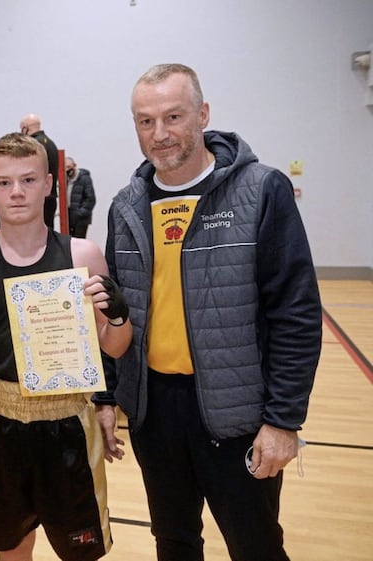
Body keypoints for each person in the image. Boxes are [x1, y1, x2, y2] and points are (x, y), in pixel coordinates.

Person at [98, 63, 322, 561]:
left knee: (256, 545)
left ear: (203, 114)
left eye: (173, 116)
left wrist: (284, 420)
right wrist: (107, 395)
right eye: (145, 121)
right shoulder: (126, 206)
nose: (160, 134)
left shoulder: (261, 189)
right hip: (155, 413)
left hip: (236, 414)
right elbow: (116, 312)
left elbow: (296, 314)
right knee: (174, 542)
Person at [0, 133, 132, 561]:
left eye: (28, 180)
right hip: (1, 424)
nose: (17, 192)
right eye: (4, 182)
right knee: (12, 547)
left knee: (81, 551)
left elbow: (115, 349)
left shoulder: (84, 254)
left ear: (49, 183)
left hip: (68, 422)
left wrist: (118, 317)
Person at [19, 113, 59, 229]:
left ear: (25, 128)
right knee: (48, 233)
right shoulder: (51, 144)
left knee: (36, 236)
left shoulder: (32, 146)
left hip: (37, 198)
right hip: (50, 195)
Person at [64, 156, 96, 238]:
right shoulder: (65, 180)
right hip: (69, 217)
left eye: (69, 167)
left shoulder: (85, 179)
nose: (67, 170)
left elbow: (91, 199)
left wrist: (79, 213)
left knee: (79, 244)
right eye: (65, 168)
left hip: (81, 220)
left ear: (74, 165)